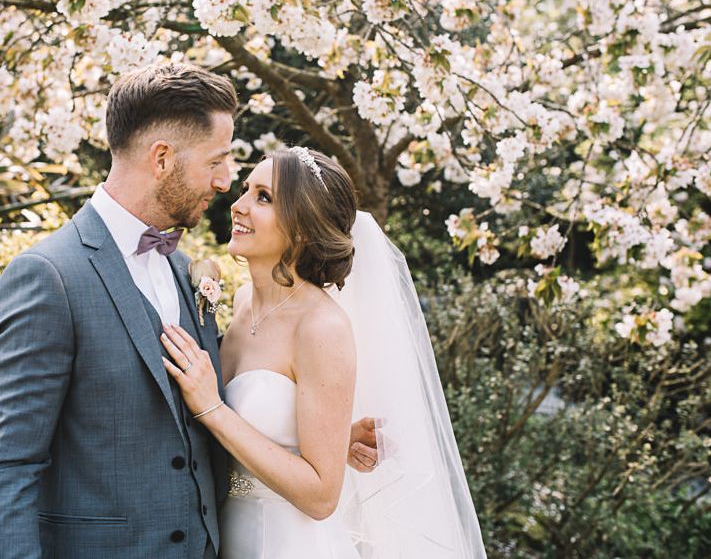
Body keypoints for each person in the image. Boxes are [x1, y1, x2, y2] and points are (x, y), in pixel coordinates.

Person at [0, 63, 377, 559]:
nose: (226, 184)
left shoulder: (185, 272)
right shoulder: (49, 276)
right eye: (217, 162)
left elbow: (192, 420)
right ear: (162, 159)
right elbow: (11, 465)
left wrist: (311, 439)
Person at [160, 148, 487, 557]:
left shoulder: (321, 326)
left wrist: (213, 409)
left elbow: (320, 496)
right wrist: (331, 440)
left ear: (302, 228)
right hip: (225, 536)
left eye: (263, 197)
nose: (239, 206)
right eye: (246, 190)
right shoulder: (243, 301)